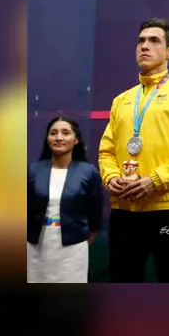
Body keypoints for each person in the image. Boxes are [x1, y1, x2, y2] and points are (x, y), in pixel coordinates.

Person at [98, 18, 169, 283]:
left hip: (166, 208)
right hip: (123, 210)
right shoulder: (121, 100)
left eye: (154, 41)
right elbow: (106, 152)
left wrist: (155, 181)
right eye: (141, 41)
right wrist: (111, 178)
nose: (145, 46)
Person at [26, 116, 103, 283]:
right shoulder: (32, 171)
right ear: (47, 139)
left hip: (73, 249)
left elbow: (95, 215)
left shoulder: (88, 172)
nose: (59, 137)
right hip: (34, 247)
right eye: (53, 133)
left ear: (76, 140)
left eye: (65, 133)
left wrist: (81, 243)